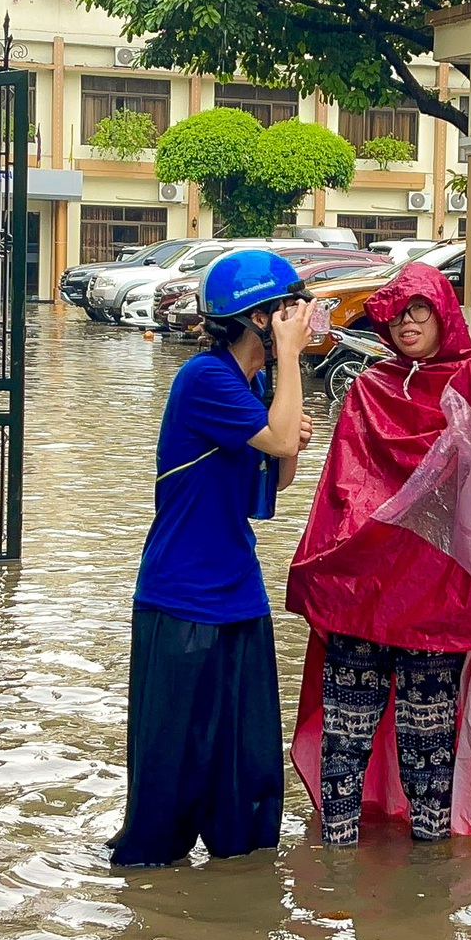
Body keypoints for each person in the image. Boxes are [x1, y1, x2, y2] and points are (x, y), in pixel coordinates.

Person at [287, 263, 471, 847]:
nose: (406, 323)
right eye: (395, 314)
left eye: (419, 309)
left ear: (444, 312)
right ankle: (338, 861)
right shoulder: (370, 389)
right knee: (348, 734)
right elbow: (341, 490)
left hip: (436, 598)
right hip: (362, 594)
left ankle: (429, 873)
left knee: (428, 740)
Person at [108, 249, 316, 867]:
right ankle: (151, 890)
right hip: (181, 596)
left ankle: (240, 888)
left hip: (237, 593)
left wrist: (290, 435)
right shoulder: (204, 379)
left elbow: (273, 482)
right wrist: (289, 370)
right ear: (256, 319)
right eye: (284, 310)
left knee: (246, 769)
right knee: (170, 777)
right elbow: (277, 437)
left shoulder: (249, 385)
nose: (297, 319)